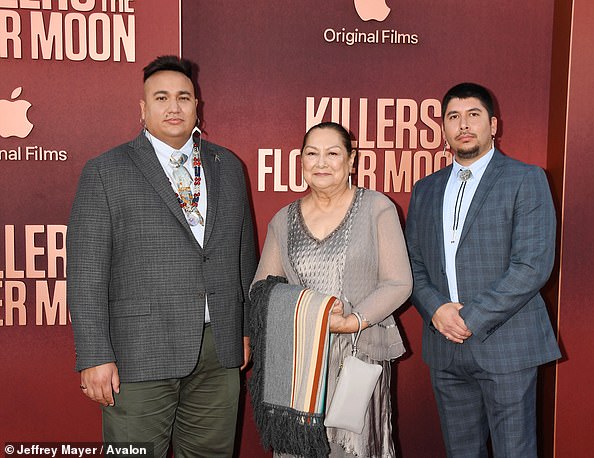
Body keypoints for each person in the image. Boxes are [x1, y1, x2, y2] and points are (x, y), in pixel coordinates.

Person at [67, 55, 256, 457]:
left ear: (197, 106)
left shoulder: (229, 167)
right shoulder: (106, 170)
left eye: (184, 97)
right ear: (143, 108)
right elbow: (86, 273)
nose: (174, 107)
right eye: (162, 97)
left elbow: (243, 256)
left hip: (217, 351)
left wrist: (243, 329)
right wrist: (94, 355)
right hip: (139, 352)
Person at [406, 82, 561, 457]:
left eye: (473, 115)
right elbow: (412, 262)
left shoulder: (526, 179)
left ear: (493, 125)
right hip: (444, 345)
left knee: (514, 451)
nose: (463, 125)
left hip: (506, 345)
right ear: (443, 128)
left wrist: (470, 317)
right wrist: (437, 311)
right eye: (453, 117)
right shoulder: (425, 189)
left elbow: (532, 265)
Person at [251, 122, 412, 457]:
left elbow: (399, 282)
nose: (321, 162)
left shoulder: (376, 208)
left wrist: (352, 321)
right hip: (300, 362)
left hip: (358, 354)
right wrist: (308, 313)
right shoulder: (284, 220)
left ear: (351, 161)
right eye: (312, 154)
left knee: (352, 449)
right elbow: (260, 290)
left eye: (332, 153)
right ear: (301, 161)